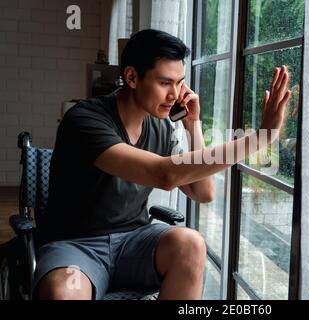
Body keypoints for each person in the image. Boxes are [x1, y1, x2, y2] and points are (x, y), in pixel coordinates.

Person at [33, 29, 292, 300]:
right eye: (165, 83)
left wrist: (193, 126)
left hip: (133, 242)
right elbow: (164, 174)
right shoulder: (84, 120)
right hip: (77, 247)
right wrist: (261, 138)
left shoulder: (162, 126)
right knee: (63, 293)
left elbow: (203, 193)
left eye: (180, 83)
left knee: (191, 243)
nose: (175, 94)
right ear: (132, 77)